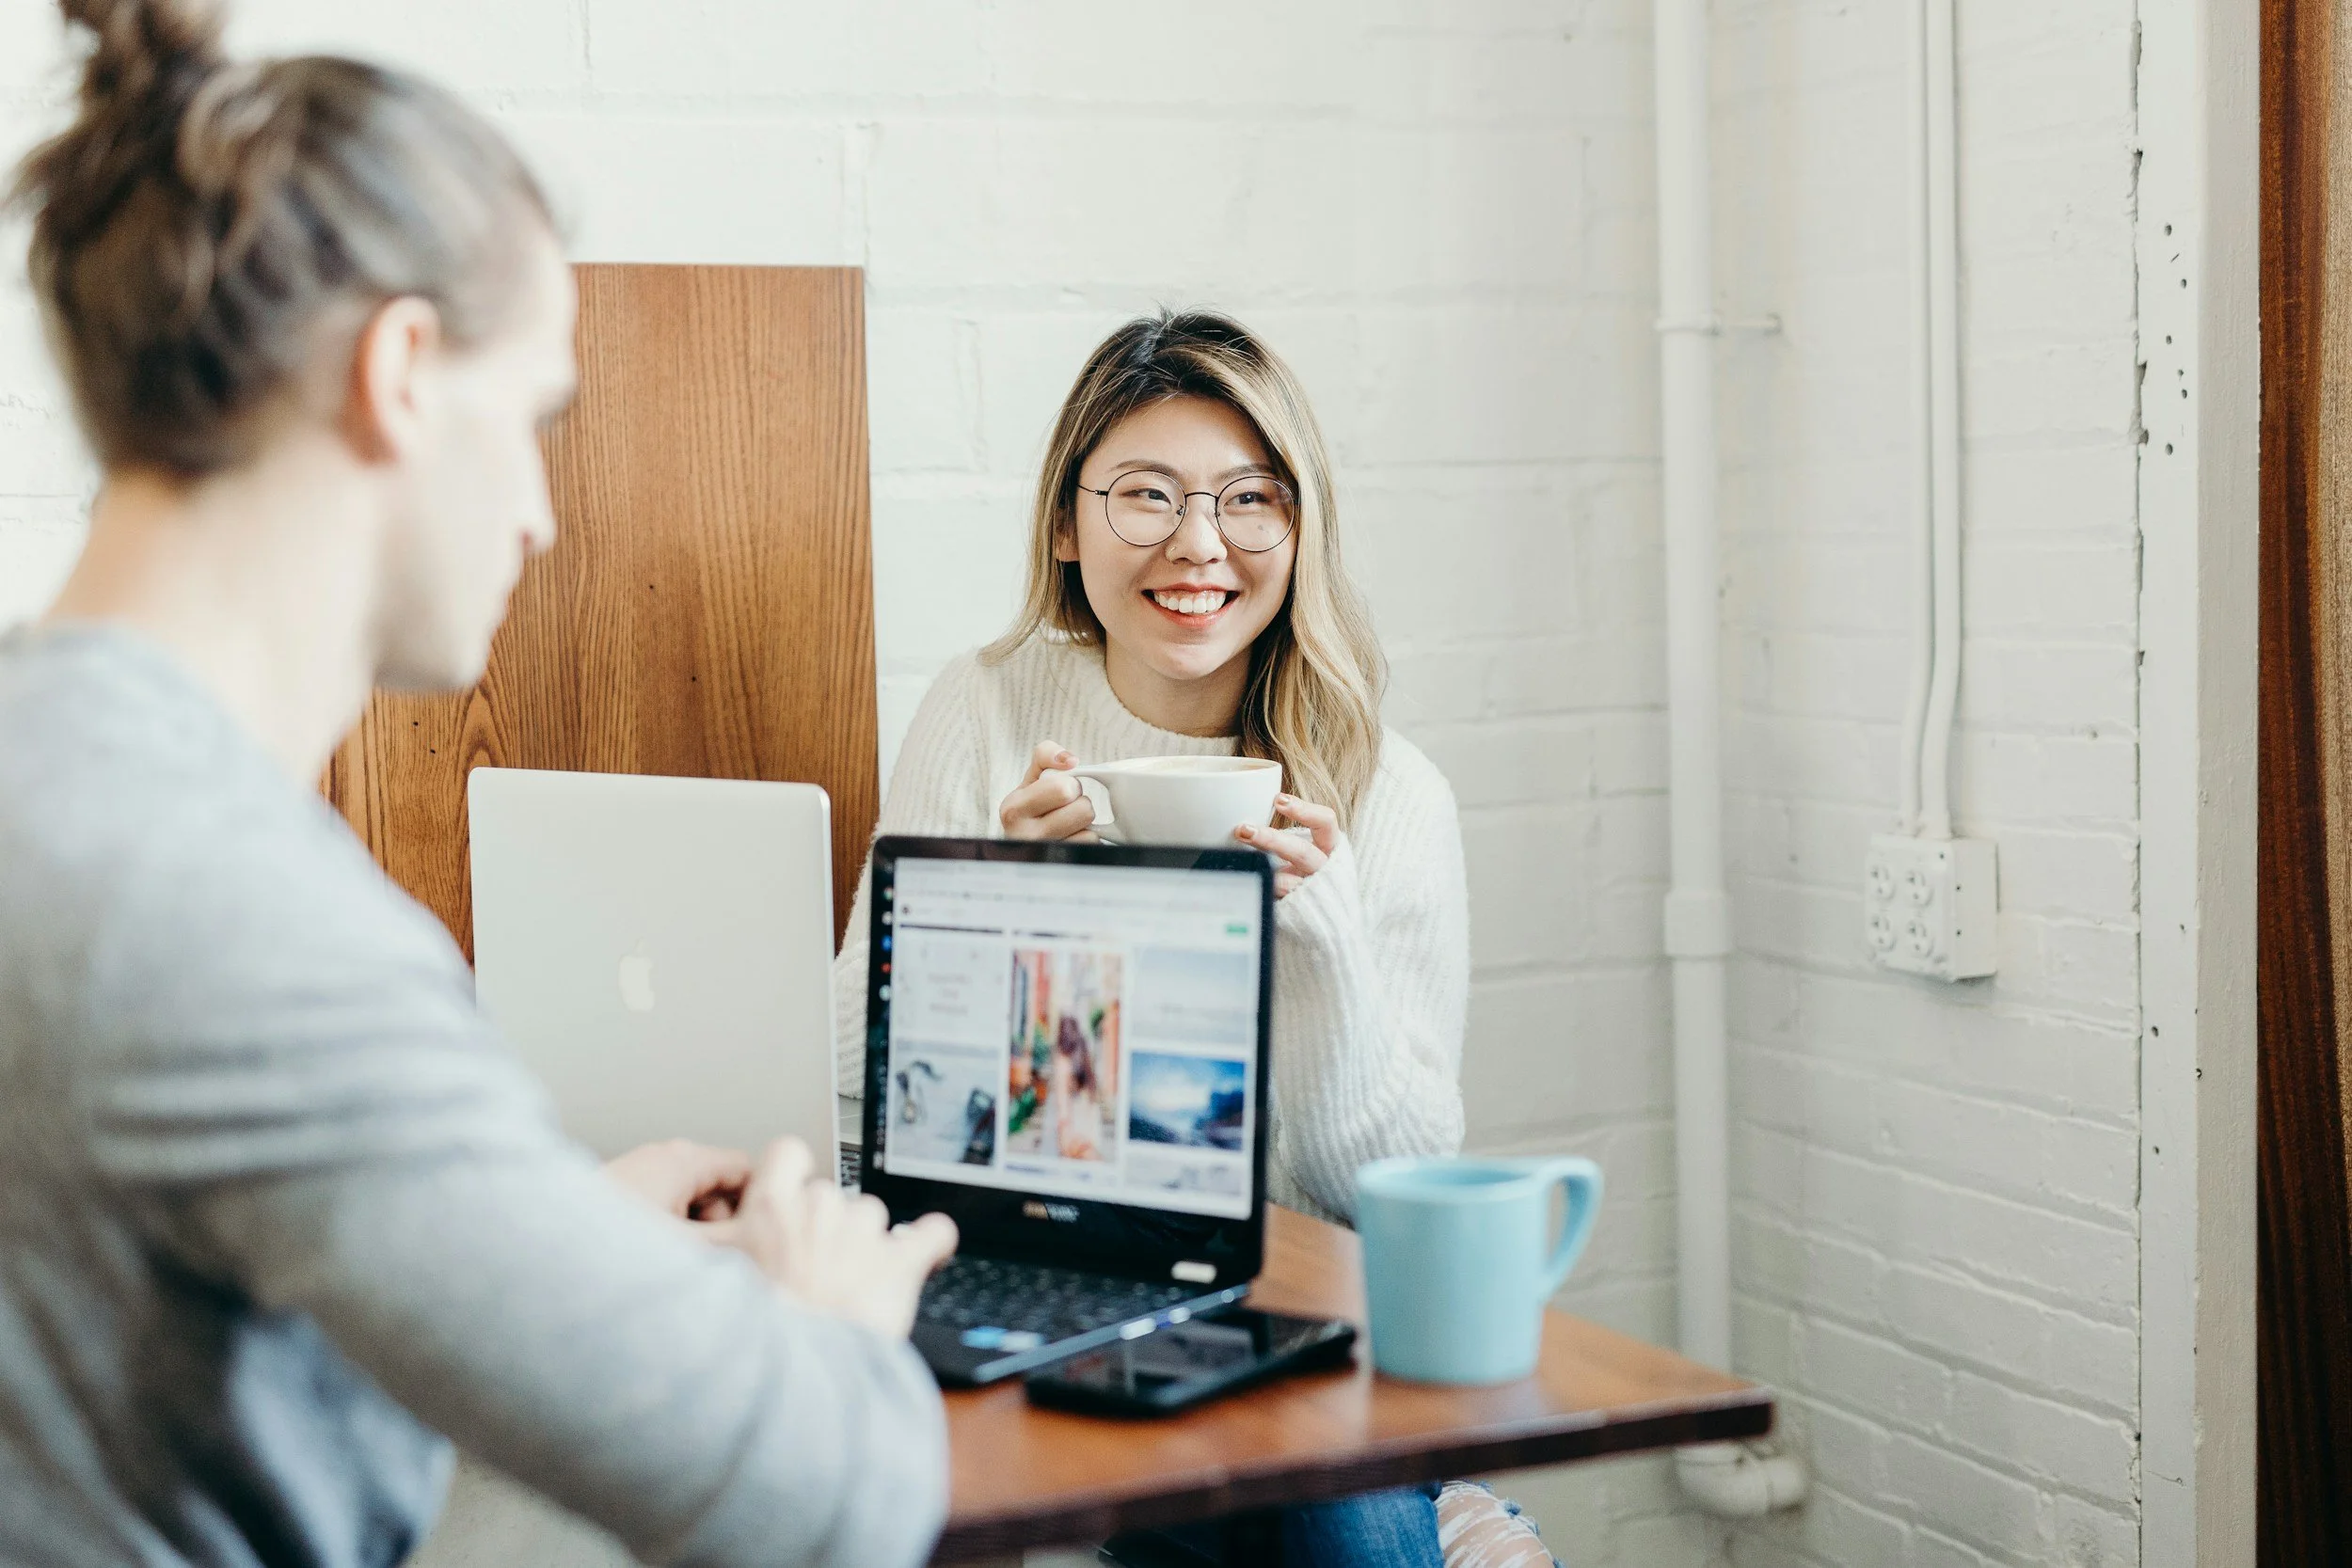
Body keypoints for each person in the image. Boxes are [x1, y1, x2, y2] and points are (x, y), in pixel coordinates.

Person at [0, 3, 956, 1565]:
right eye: (534, 422)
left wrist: (545, 1232)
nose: (538, 515)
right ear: (400, 370)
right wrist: (830, 1320)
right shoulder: (238, 913)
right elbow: (826, 1495)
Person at [832, 312, 1560, 1566]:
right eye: (1145, 496)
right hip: (1035, 1274)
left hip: (1285, 1307)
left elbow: (1378, 1193)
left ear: (1300, 528)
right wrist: (1009, 910)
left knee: (1339, 1534)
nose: (1199, 544)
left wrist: (1320, 944)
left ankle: (1443, 1498)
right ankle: (1456, 1504)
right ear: (1067, 523)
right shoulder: (989, 709)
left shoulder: (1387, 796)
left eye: (1248, 499)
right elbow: (860, 1087)